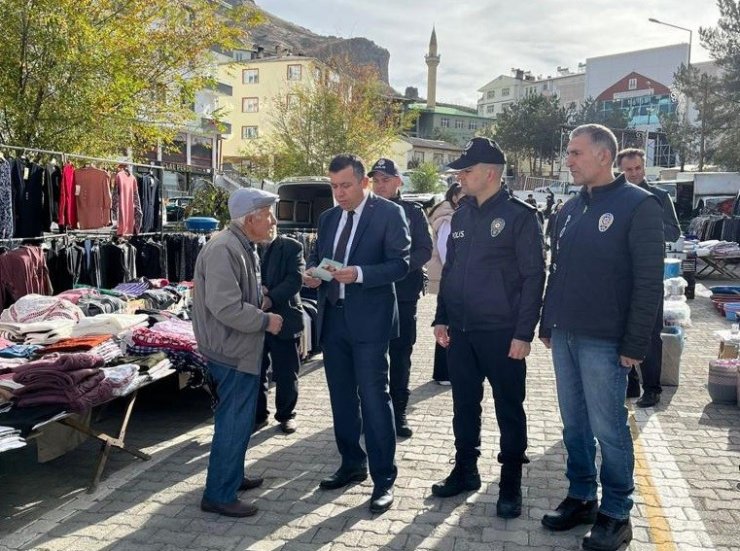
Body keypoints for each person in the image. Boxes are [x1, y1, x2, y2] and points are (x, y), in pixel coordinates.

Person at [539, 125, 664, 551]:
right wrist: (547, 320)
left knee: (608, 428)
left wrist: (634, 345)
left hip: (606, 340)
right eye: (568, 153)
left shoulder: (638, 206)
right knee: (574, 424)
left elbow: (649, 284)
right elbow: (558, 270)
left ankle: (616, 513)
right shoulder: (569, 209)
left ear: (603, 156)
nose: (568, 161)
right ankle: (581, 497)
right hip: (566, 334)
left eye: (575, 153)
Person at [431, 137, 546, 519]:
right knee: (464, 405)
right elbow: (450, 270)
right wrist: (441, 316)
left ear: (491, 173)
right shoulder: (461, 215)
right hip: (461, 331)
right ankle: (465, 470)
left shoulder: (520, 216)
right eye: (460, 171)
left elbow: (534, 277)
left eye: (467, 170)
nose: (460, 176)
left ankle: (510, 482)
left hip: (502, 333)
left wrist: (523, 334)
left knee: (509, 409)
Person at [302, 154, 410, 514]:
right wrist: (314, 274)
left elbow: (401, 264)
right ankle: (351, 464)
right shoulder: (328, 217)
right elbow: (321, 257)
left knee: (375, 399)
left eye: (345, 185)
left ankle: (384, 479)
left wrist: (360, 273)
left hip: (371, 322)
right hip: (334, 320)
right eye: (334, 186)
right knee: (342, 398)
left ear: (364, 182)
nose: (339, 193)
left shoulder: (389, 214)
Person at [192, 188, 284, 518]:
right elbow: (226, 307)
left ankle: (231, 477)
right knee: (232, 423)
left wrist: (260, 297)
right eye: (268, 214)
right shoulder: (224, 248)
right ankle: (218, 494)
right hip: (230, 351)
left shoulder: (239, 245)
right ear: (250, 219)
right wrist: (265, 320)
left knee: (240, 421)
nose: (273, 220)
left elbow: (233, 295)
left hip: (237, 347)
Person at [369, 158, 433, 438]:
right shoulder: (363, 211)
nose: (381, 185)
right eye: (377, 180)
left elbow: (424, 250)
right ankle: (371, 413)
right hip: (369, 294)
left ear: (399, 182)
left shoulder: (412, 212)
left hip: (403, 295)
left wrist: (397, 269)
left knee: (401, 355)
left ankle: (398, 412)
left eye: (386, 179)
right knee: (370, 356)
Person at [618, 147, 681, 408]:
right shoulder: (615, 197)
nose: (634, 174)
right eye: (628, 170)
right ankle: (630, 381)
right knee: (622, 331)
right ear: (620, 170)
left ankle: (652, 388)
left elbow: (674, 232)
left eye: (638, 169)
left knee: (650, 334)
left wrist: (645, 229)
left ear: (644, 168)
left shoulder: (658, 197)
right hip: (620, 277)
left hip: (648, 276)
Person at [254, 232, 305, 434]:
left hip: (285, 317)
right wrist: (258, 291)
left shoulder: (292, 246)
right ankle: (258, 416)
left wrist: (270, 297)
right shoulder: (247, 245)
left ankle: (286, 415)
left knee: (286, 371)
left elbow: (295, 279)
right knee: (256, 370)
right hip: (255, 318)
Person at [426, 182, 464, 385]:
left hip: (451, 279)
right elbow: (446, 252)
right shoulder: (449, 218)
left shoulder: (452, 214)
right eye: (462, 193)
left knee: (448, 323)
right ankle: (445, 373)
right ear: (455, 196)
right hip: (449, 280)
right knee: (446, 323)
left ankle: (446, 372)